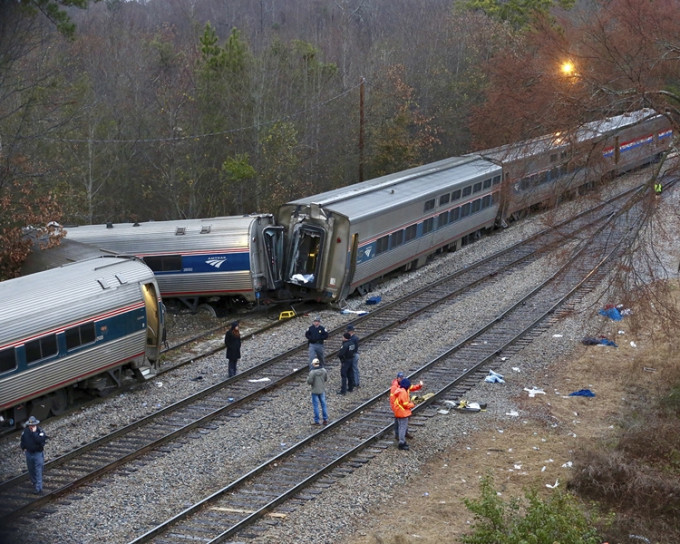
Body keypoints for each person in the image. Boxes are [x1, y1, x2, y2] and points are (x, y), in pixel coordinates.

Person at [390, 372, 422, 439]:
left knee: (404, 421)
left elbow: (411, 387)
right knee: (398, 422)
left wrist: (419, 386)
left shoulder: (404, 384)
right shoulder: (395, 387)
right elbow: (393, 398)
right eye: (400, 378)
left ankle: (404, 433)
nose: (401, 379)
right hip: (399, 407)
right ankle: (398, 435)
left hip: (404, 407)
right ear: (397, 378)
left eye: (402, 377)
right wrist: (394, 408)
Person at [20, 416, 48, 494]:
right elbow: (22, 440)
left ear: (36, 425)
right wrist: (23, 448)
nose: (31, 427)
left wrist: (34, 433)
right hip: (29, 453)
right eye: (30, 425)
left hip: (37, 453)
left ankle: (38, 488)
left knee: (38, 470)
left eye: (33, 425)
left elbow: (40, 440)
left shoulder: (40, 431)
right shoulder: (25, 432)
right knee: (31, 469)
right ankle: (34, 483)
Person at [391, 378, 415, 450]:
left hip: (398, 411)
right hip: (402, 412)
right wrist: (412, 404)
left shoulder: (399, 390)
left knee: (401, 427)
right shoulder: (403, 392)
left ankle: (401, 441)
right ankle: (402, 443)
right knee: (402, 427)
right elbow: (405, 404)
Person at [307, 358, 329, 425]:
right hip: (322, 390)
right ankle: (325, 419)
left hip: (315, 391)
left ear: (313, 364)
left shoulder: (312, 372)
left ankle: (317, 421)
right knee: (323, 405)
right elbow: (325, 379)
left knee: (316, 406)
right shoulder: (324, 370)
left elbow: (309, 382)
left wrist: (308, 378)